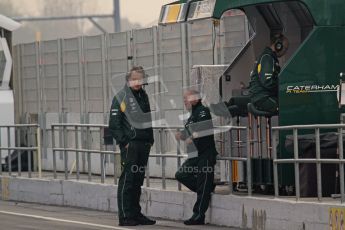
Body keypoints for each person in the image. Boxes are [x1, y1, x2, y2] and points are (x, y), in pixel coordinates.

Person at [109, 66, 155, 226]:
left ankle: (135, 213)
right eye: (134, 79)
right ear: (128, 80)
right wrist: (124, 142)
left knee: (138, 180)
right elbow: (114, 124)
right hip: (130, 145)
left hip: (144, 144)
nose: (137, 82)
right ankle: (125, 216)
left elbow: (148, 119)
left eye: (140, 79)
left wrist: (151, 140)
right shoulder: (121, 96)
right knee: (128, 180)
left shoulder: (143, 95)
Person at [175, 90, 218, 225]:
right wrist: (181, 135)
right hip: (194, 155)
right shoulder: (192, 115)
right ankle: (207, 188)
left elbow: (203, 128)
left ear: (194, 99)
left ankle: (198, 215)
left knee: (203, 183)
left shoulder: (202, 111)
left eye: (186, 98)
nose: (184, 101)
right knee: (181, 174)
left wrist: (191, 137)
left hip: (205, 153)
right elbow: (188, 130)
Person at [248, 33, 289, 113]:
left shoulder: (269, 57)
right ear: (278, 46)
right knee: (287, 108)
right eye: (285, 48)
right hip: (263, 98)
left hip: (261, 96)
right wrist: (283, 87)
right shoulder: (267, 58)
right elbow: (267, 82)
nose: (285, 51)